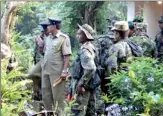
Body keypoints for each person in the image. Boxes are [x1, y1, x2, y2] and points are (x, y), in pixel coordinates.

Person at [41, 17, 72, 114]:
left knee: (58, 97)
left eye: (49, 25)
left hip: (57, 72)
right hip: (46, 69)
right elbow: (45, 53)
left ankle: (60, 114)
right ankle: (48, 113)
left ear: (54, 26)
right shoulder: (48, 38)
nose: (47, 27)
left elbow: (67, 56)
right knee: (46, 95)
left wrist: (64, 71)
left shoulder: (63, 38)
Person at [69, 24, 97, 116]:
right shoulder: (90, 47)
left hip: (83, 87)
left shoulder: (85, 50)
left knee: (78, 110)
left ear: (86, 35)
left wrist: (81, 84)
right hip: (89, 85)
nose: (77, 36)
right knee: (89, 111)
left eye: (79, 34)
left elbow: (90, 68)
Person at [28, 20, 50, 101]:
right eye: (43, 30)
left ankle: (42, 97)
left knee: (40, 79)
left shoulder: (50, 38)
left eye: (45, 30)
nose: (44, 32)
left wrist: (42, 44)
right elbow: (36, 51)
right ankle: (36, 95)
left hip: (45, 63)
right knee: (36, 78)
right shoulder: (39, 38)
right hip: (38, 61)